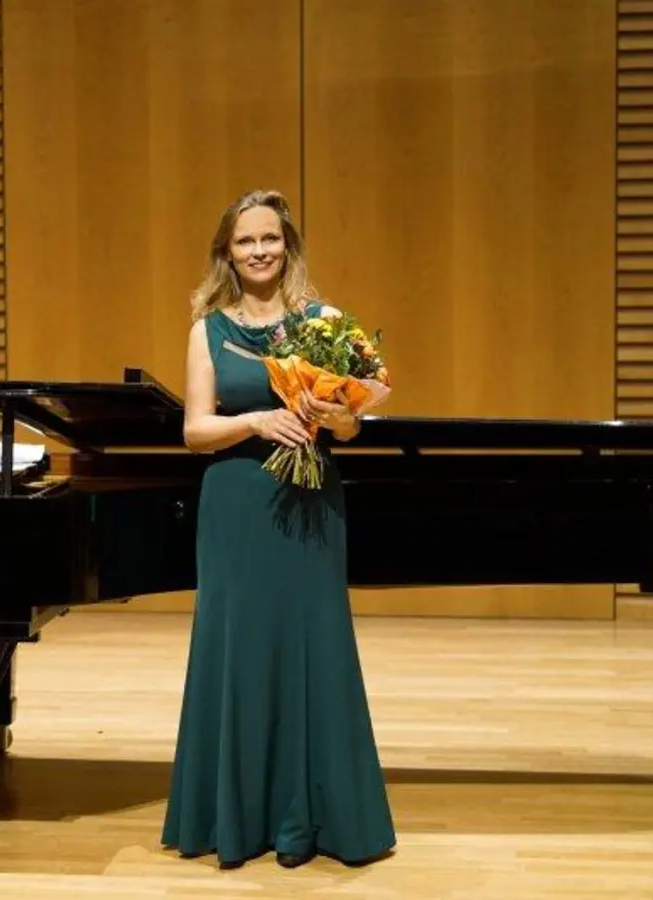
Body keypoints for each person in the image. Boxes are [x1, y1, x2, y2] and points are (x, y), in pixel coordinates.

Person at [160, 190, 397, 869]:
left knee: (312, 646)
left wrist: (331, 411)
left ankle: (318, 817)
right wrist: (258, 421)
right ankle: (235, 817)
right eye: (245, 242)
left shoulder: (322, 320)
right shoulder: (206, 328)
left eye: (270, 239)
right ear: (226, 253)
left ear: (287, 246)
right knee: (238, 649)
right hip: (236, 504)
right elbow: (194, 430)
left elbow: (360, 416)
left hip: (309, 499)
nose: (259, 251)